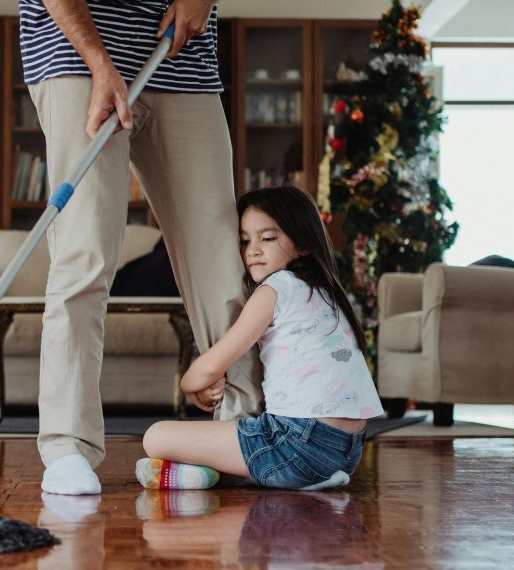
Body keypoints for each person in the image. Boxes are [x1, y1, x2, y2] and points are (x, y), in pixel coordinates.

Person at [20, 0, 263, 496]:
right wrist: (98, 60)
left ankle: (250, 432)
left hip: (182, 61)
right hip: (77, 55)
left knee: (220, 259)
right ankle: (68, 446)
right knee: (84, 255)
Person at [135, 186, 385, 491]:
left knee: (156, 436)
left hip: (297, 445)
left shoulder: (275, 289)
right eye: (244, 241)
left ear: (303, 243)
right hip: (349, 451)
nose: (252, 250)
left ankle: (201, 473)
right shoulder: (328, 292)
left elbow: (213, 364)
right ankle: (217, 473)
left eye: (267, 238)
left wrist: (189, 385)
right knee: (215, 442)